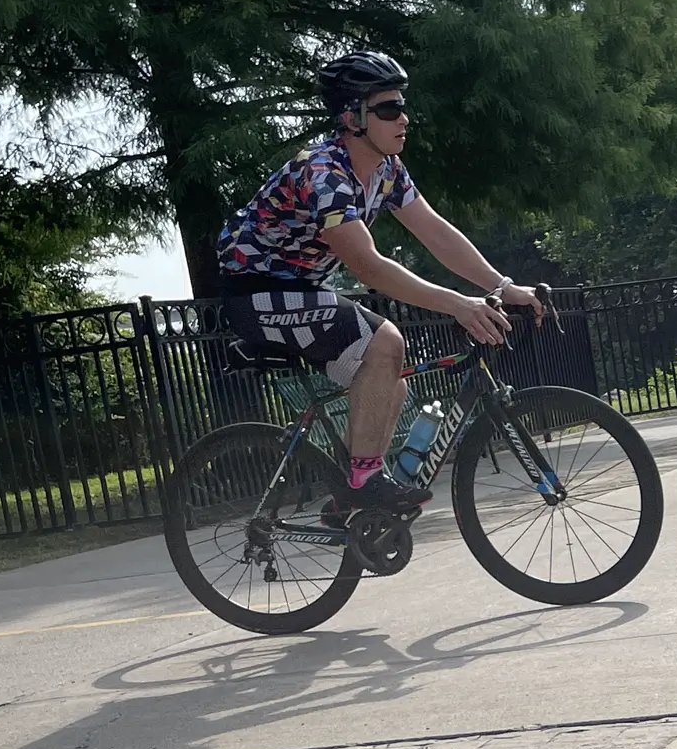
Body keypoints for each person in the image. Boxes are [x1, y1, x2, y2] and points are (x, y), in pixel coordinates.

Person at [217, 49, 542, 518]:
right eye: (389, 109)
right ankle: (363, 482)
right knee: (386, 340)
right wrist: (457, 304)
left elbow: (435, 233)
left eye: (403, 106)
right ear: (352, 117)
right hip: (255, 293)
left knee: (391, 382)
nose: (404, 118)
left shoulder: (387, 170)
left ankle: (347, 501)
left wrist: (504, 285)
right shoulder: (323, 171)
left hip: (302, 290)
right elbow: (368, 267)